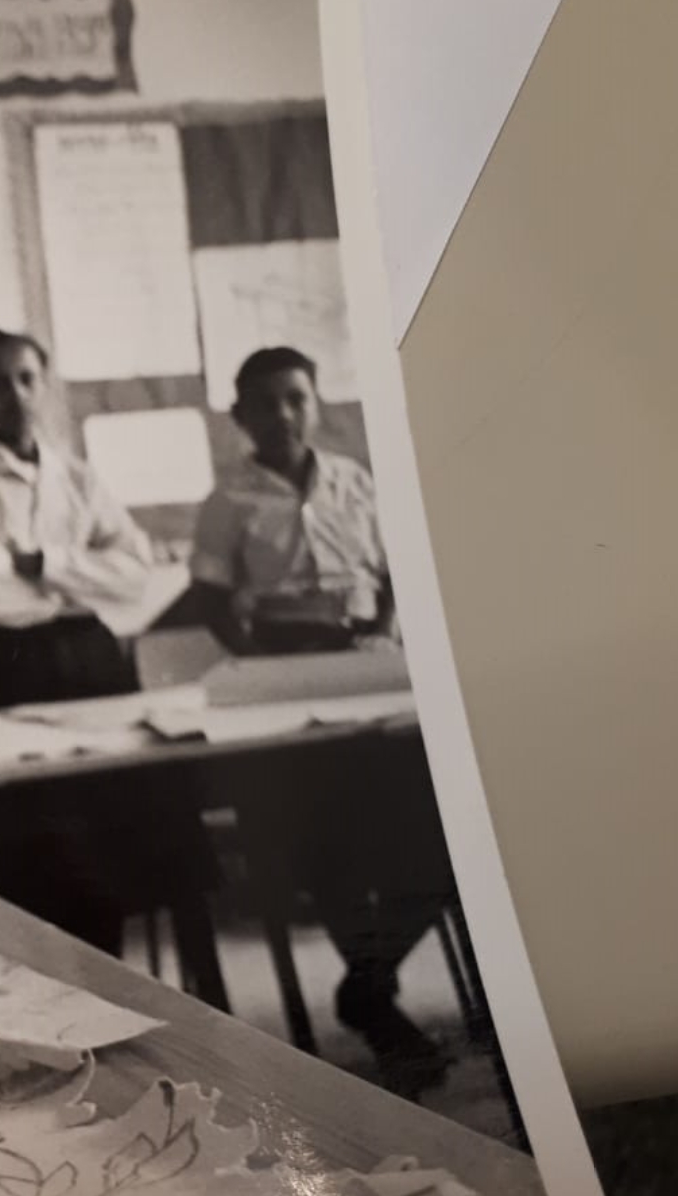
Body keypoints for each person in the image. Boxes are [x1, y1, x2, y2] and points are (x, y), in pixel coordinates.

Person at [190, 346, 451, 1097]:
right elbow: (210, 599)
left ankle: (366, 985)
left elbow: (395, 570)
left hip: (365, 657)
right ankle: (379, 1012)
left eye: (294, 399)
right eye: (263, 404)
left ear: (315, 403)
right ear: (239, 417)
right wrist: (252, 667)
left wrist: (386, 632)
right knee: (323, 849)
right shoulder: (228, 498)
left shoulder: (353, 480)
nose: (281, 416)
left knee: (436, 835)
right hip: (281, 666)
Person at [0, 330, 214, 955]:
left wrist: (38, 562)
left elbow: (135, 575)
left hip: (95, 659)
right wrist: (81, 575)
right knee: (40, 842)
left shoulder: (78, 478)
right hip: (15, 662)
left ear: (46, 386)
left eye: (28, 379)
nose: (16, 395)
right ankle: (55, 990)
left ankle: (118, 976)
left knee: (114, 833)